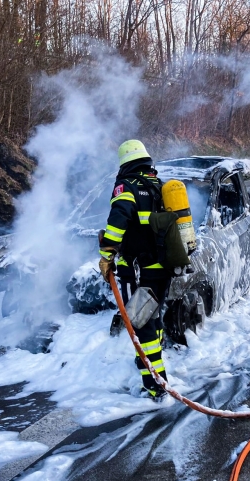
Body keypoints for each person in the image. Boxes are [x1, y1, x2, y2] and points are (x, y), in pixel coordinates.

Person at [99, 140, 171, 401]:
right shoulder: (159, 186)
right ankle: (154, 361)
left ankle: (154, 383)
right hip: (162, 267)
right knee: (154, 317)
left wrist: (106, 255)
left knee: (141, 324)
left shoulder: (126, 187)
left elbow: (117, 222)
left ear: (124, 163)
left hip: (137, 270)